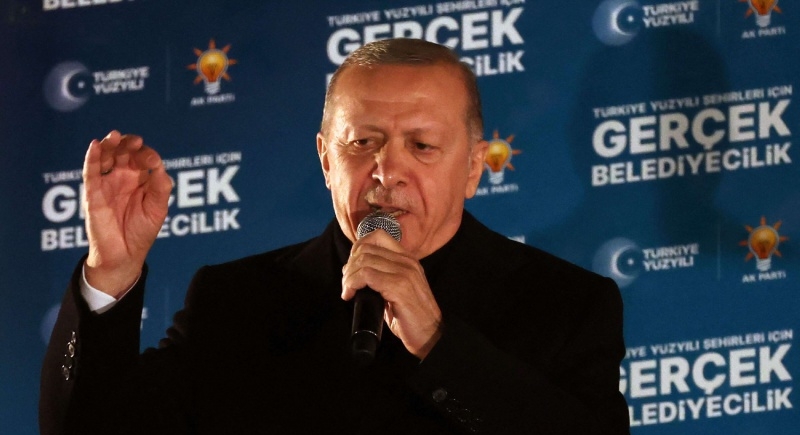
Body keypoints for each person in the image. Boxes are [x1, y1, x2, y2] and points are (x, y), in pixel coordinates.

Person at [40, 38, 630, 434]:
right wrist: (111, 272)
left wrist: (439, 343)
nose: (386, 171)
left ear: (474, 167)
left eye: (422, 145)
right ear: (326, 160)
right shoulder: (235, 300)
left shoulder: (564, 304)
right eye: (362, 143)